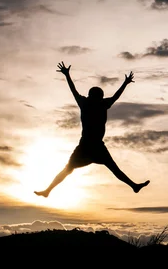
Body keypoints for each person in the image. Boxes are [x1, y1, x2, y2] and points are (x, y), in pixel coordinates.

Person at [34, 62, 150, 197]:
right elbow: (114, 96)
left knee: (70, 169)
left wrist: (67, 75)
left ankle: (48, 191)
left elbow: (74, 90)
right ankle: (133, 186)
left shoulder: (88, 103)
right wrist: (125, 83)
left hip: (90, 145)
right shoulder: (100, 104)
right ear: (98, 96)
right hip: (91, 145)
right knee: (110, 168)